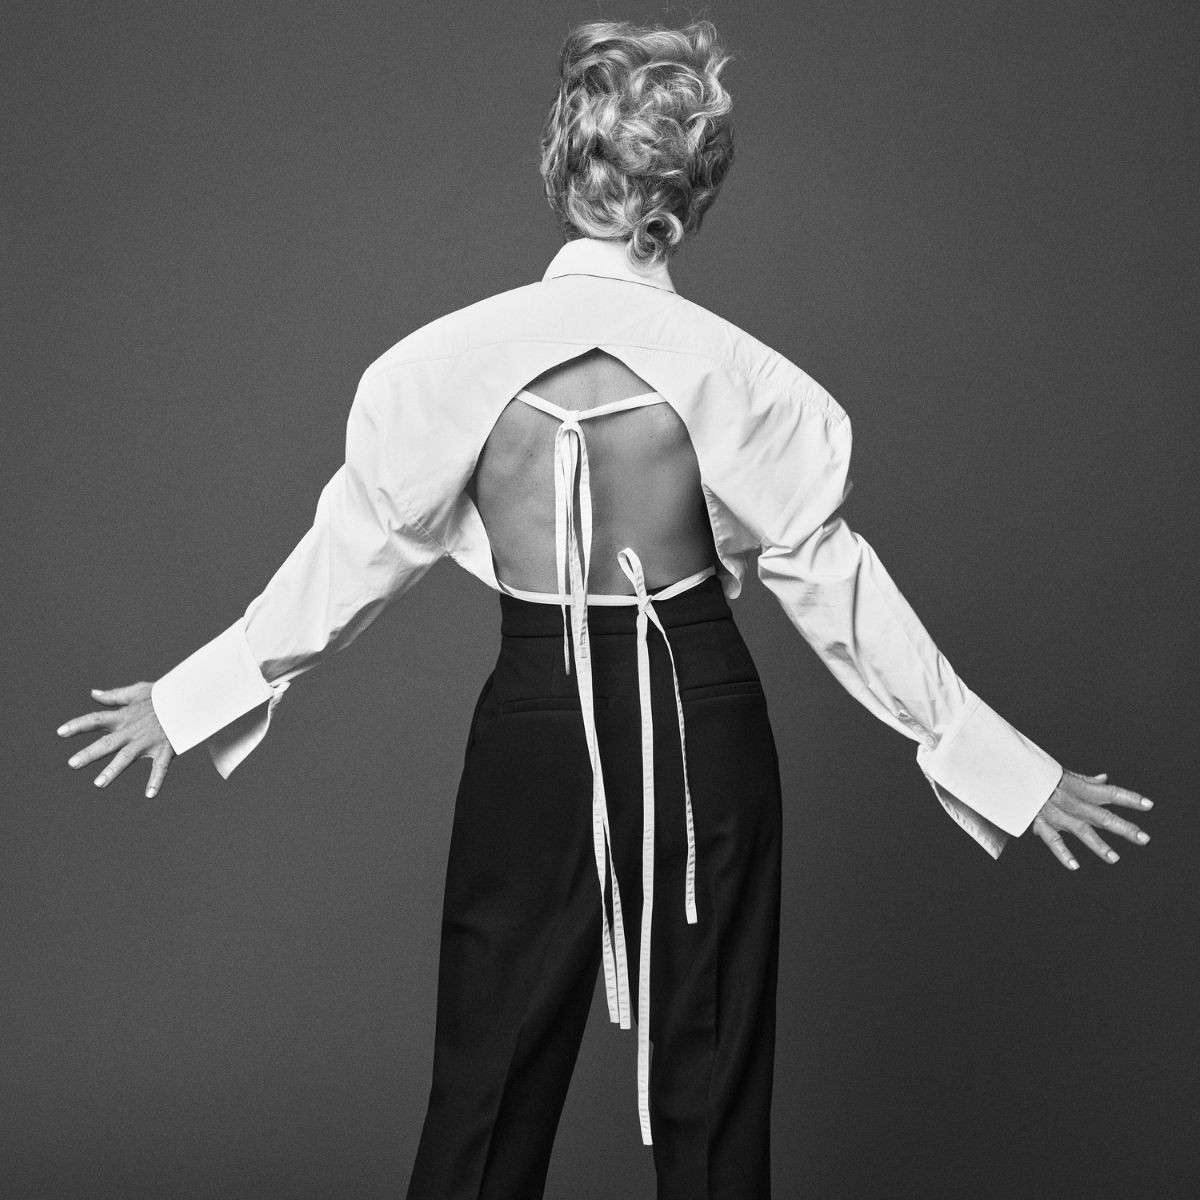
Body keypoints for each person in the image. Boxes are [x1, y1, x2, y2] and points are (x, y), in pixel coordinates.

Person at [56, 17, 1154, 1200]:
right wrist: (1005, 768)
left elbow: (353, 559)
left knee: (484, 1088)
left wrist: (190, 698)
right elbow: (837, 592)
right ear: (686, 198)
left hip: (536, 717)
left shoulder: (437, 367)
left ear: (564, 171)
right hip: (701, 712)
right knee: (712, 1085)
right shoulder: (743, 376)